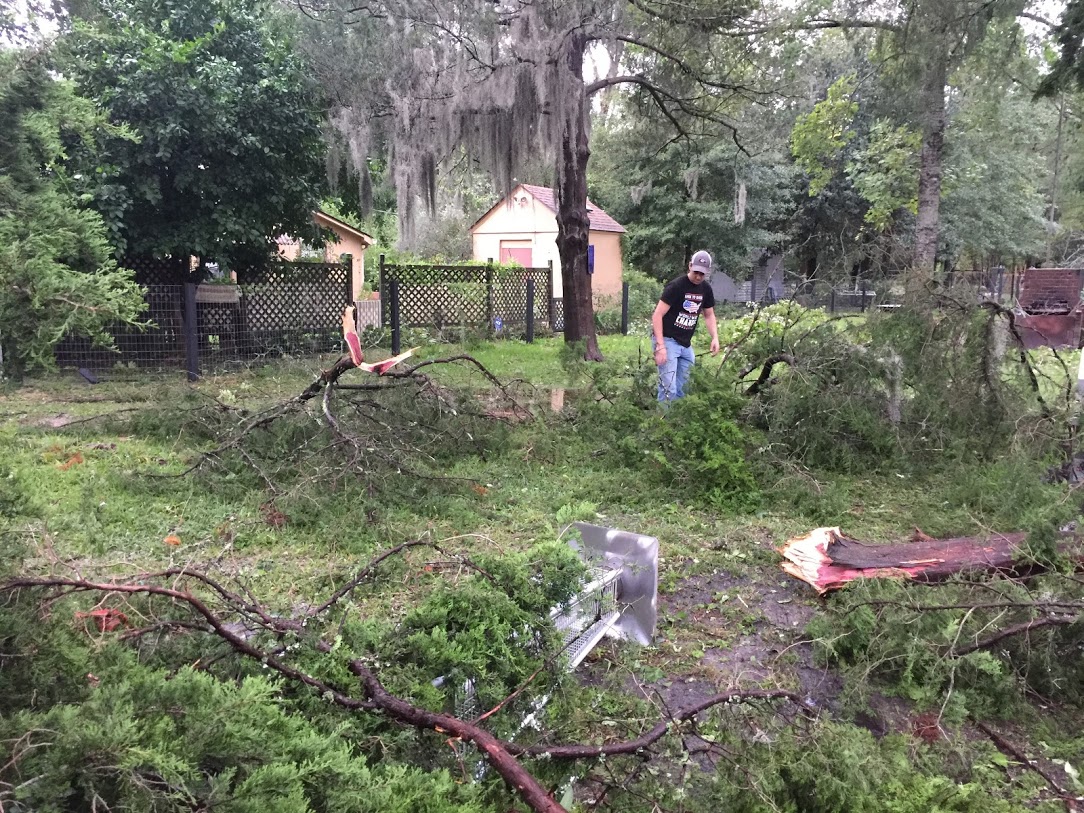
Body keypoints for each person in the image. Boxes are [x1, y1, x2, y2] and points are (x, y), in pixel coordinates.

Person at [651, 250, 720, 402]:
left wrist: (715, 337)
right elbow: (657, 315)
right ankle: (663, 417)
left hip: (685, 345)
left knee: (684, 388)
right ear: (690, 266)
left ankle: (678, 416)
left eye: (702, 273)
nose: (698, 276)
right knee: (669, 388)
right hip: (667, 340)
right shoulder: (676, 286)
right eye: (696, 272)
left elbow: (709, 315)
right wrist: (660, 346)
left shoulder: (706, 289)